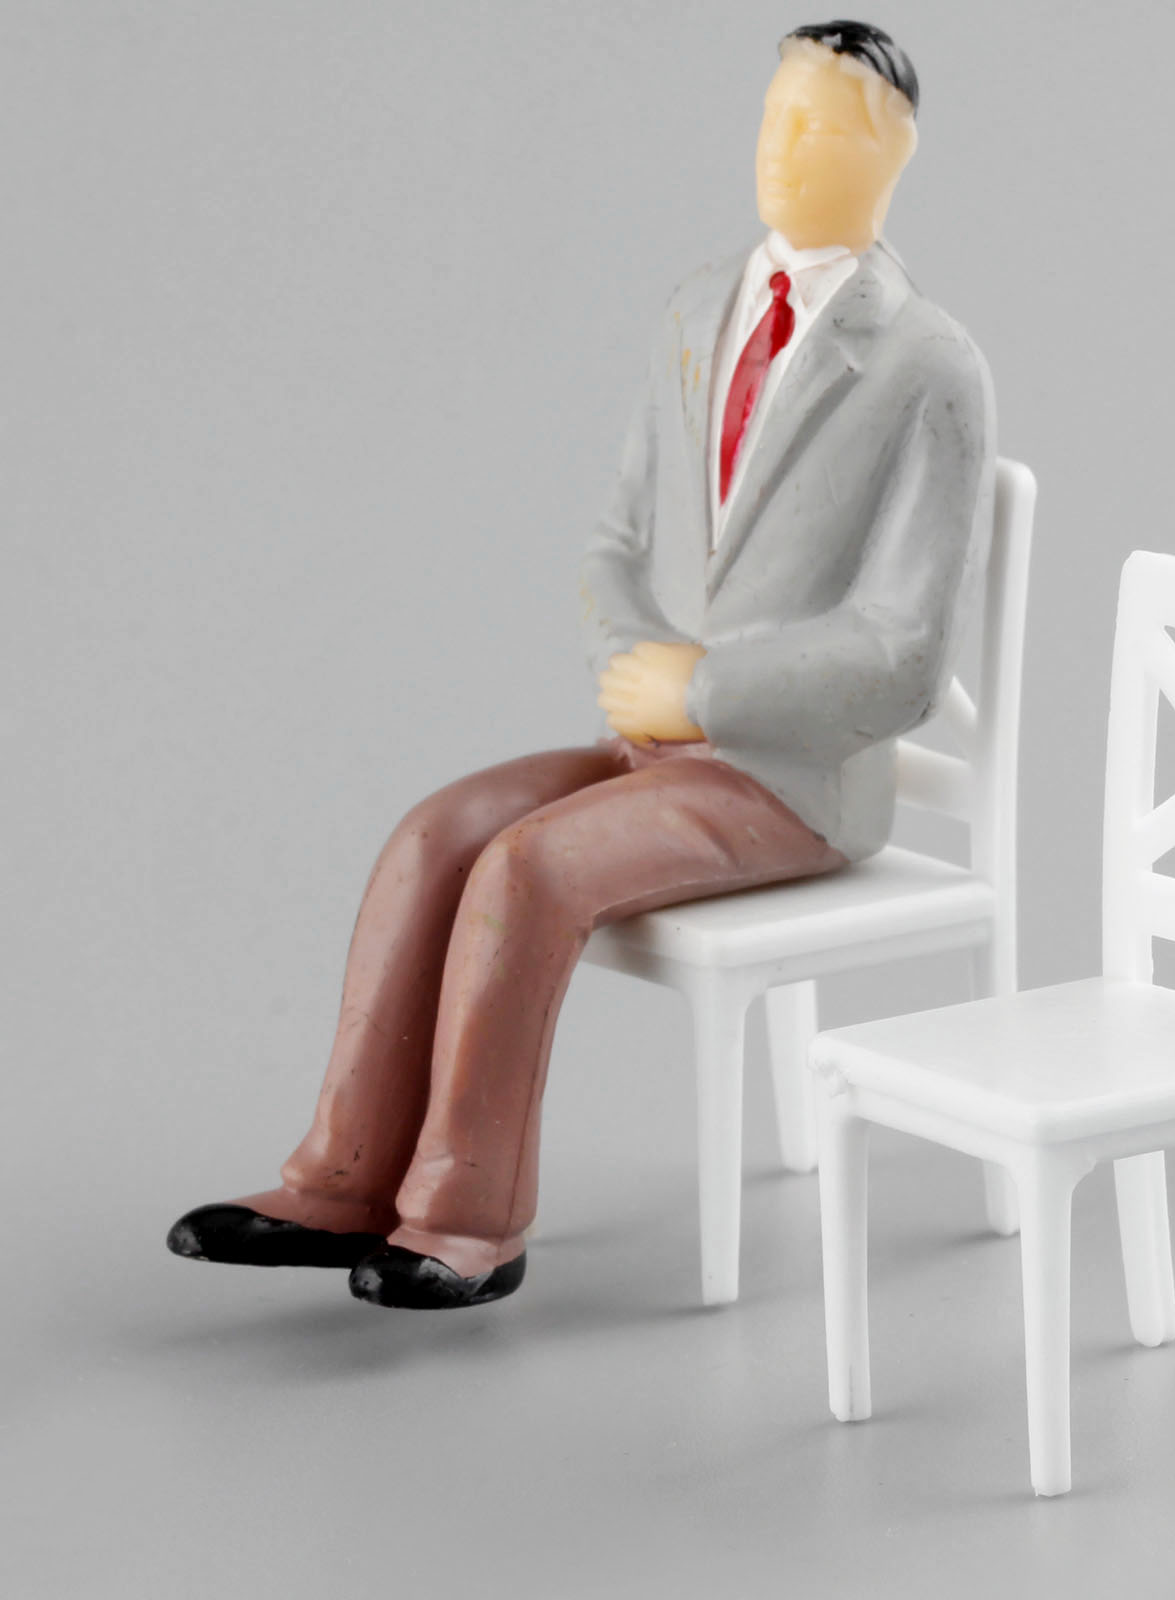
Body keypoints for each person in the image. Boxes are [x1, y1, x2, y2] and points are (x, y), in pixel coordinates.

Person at [167, 20, 996, 1310]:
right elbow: (615, 540)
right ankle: (341, 1176)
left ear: (896, 152)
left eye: (823, 126)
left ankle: (467, 1217)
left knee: (529, 868)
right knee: (439, 835)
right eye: (774, 114)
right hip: (655, 747)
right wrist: (634, 669)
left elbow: (901, 657)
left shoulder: (927, 363)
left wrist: (703, 692)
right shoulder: (700, 309)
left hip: (796, 777)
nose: (783, 147)